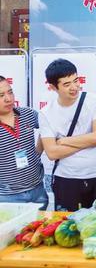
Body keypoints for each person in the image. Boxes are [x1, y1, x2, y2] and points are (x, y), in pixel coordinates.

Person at [39, 59, 96, 211]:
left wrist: (63, 141)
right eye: (67, 84)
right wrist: (88, 141)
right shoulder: (46, 113)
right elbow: (52, 153)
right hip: (66, 179)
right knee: (67, 228)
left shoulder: (95, 100)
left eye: (76, 80)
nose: (74, 87)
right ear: (52, 87)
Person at [0, 75, 48, 210]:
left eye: (10, 92)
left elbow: (50, 127)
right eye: (1, 95)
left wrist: (37, 152)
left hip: (38, 191)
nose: (8, 99)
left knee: (40, 230)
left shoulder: (28, 114)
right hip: (7, 197)